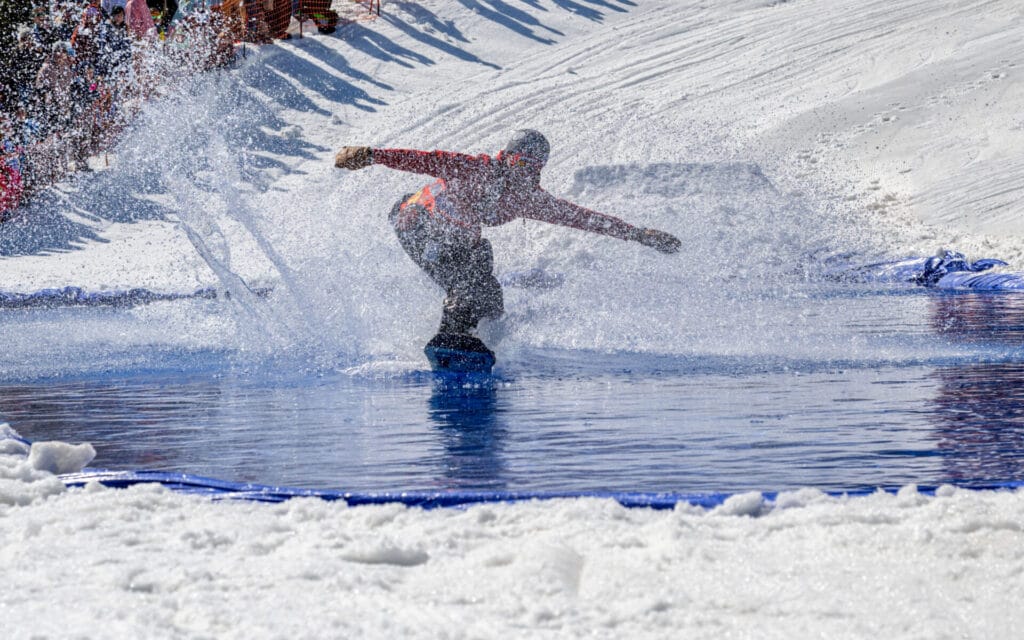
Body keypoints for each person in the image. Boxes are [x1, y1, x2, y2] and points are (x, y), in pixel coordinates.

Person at [334, 130, 681, 338]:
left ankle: (471, 340)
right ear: (506, 157)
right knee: (470, 277)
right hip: (416, 221)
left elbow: (580, 217)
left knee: (489, 294)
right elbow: (424, 160)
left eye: (532, 168)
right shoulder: (475, 168)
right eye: (519, 164)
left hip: (453, 240)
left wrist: (639, 234)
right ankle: (453, 333)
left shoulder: (525, 198)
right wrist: (370, 155)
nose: (524, 173)